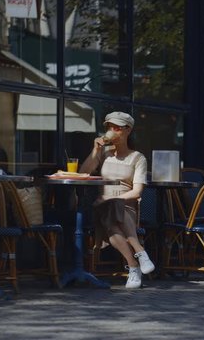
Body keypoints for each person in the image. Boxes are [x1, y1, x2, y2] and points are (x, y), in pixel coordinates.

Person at [79, 111, 155, 289]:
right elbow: (84, 173)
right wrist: (95, 150)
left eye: (117, 128)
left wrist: (112, 198)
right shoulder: (104, 153)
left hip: (126, 205)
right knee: (110, 213)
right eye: (109, 127)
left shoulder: (138, 158)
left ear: (128, 131)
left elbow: (136, 192)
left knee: (113, 224)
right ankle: (139, 256)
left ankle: (134, 267)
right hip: (102, 206)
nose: (112, 131)